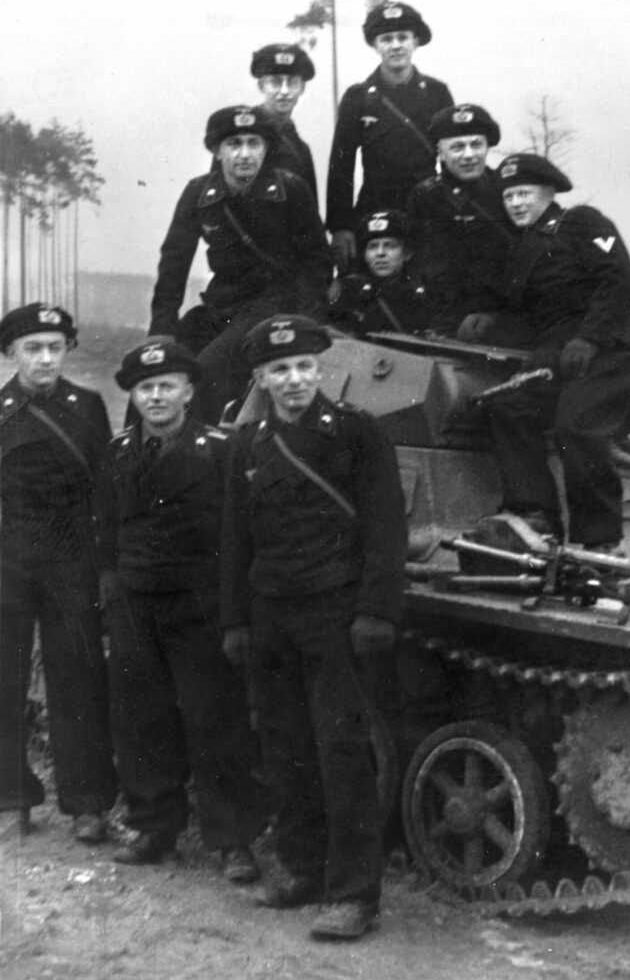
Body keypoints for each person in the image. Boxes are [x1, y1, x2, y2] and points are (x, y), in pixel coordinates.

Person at [220, 314, 407, 940]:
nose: (294, 379)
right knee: (286, 749)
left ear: (320, 370)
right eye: (280, 370)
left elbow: (386, 528)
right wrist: (236, 620)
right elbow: (235, 541)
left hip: (334, 611)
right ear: (260, 378)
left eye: (304, 367)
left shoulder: (356, 433)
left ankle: (354, 894)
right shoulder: (247, 444)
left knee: (342, 752)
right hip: (272, 610)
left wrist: (377, 610)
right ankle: (300, 869)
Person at [101, 340, 266, 877]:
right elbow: (105, 533)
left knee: (214, 719)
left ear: (189, 391)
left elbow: (240, 533)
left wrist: (231, 608)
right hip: (135, 600)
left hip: (198, 603)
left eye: (167, 385)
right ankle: (154, 827)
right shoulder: (119, 452)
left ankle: (231, 839)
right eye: (146, 388)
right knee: (141, 718)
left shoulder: (220, 450)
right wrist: (112, 594)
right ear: (134, 395)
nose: (156, 396)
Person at [491, 153, 630, 549]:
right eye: (509, 196)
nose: (515, 203)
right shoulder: (523, 246)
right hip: (558, 354)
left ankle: (601, 540)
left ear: (549, 192)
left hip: (610, 348)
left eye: (524, 193)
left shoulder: (580, 222)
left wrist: (590, 338)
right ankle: (537, 516)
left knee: (577, 425)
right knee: (510, 408)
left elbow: (618, 279)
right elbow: (532, 313)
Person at [0, 303, 117, 839]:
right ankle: (10, 795)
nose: (45, 359)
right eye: (32, 349)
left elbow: (104, 488)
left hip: (71, 560)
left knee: (78, 677)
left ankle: (86, 801)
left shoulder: (88, 407)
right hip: (8, 561)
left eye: (54, 348)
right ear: (11, 354)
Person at [148, 105, 332, 421]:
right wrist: (162, 328)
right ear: (217, 151)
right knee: (158, 365)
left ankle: (202, 458)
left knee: (207, 370)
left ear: (266, 149)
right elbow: (174, 263)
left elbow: (316, 261)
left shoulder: (289, 190)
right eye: (234, 144)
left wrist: (307, 324)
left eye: (253, 143)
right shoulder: (198, 193)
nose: (245, 154)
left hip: (273, 306)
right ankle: (137, 457)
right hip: (222, 305)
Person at [326, 1, 453, 267]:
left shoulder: (436, 93)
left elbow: (450, 156)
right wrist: (340, 226)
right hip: (375, 208)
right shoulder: (357, 97)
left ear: (415, 41)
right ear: (375, 45)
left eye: (402, 37)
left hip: (426, 210)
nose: (395, 45)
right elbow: (342, 164)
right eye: (386, 39)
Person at [407, 104, 520, 340]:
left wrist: (496, 315)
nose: (469, 155)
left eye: (476, 145)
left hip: (497, 320)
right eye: (457, 147)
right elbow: (418, 262)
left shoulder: (507, 192)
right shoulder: (426, 196)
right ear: (440, 152)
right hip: (440, 320)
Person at [328, 209, 431, 336]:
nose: (380, 253)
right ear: (364, 255)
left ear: (407, 253)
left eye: (389, 245)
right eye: (373, 246)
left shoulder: (425, 292)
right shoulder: (348, 291)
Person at [251, 43, 318, 201]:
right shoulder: (240, 135)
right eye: (275, 82)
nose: (284, 91)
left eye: (292, 83)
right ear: (261, 86)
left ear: (302, 88)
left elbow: (310, 209)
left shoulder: (301, 148)